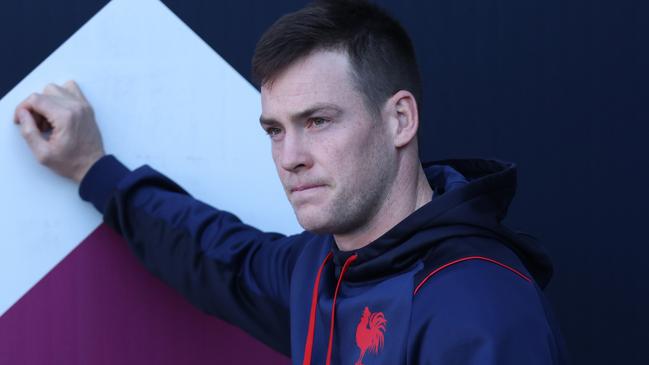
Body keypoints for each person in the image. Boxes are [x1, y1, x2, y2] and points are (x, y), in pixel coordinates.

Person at [13, 0, 568, 364]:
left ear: (399, 120)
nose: (290, 157)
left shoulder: (478, 308)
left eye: (318, 121)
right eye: (275, 130)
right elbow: (211, 254)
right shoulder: (318, 269)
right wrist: (91, 168)